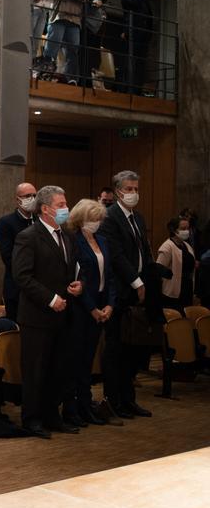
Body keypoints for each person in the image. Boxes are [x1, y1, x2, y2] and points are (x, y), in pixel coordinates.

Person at [12, 185, 83, 439]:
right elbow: (22, 276)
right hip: (37, 316)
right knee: (35, 370)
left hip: (63, 314)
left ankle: (53, 415)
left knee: (58, 369)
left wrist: (78, 283)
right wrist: (50, 298)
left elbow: (75, 267)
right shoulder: (28, 236)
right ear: (45, 209)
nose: (66, 209)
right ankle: (32, 419)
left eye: (66, 204)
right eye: (61, 205)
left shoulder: (67, 235)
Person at [97, 170, 154, 420]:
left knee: (133, 350)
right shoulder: (110, 217)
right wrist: (136, 281)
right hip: (120, 291)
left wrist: (149, 278)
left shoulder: (137, 218)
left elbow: (143, 250)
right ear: (118, 191)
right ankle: (114, 400)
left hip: (138, 290)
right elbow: (117, 256)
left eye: (136, 188)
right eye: (129, 189)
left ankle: (129, 399)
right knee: (116, 349)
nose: (134, 193)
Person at [66, 199, 115, 428]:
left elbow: (110, 276)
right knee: (75, 361)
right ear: (81, 218)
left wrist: (110, 306)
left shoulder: (102, 240)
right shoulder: (73, 241)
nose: (97, 223)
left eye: (99, 219)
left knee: (88, 362)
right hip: (82, 308)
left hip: (102, 305)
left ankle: (87, 407)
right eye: (93, 218)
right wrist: (92, 308)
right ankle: (73, 408)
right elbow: (78, 280)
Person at [40, 0, 88, 84]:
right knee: (52, 48)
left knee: (73, 52)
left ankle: (71, 79)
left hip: (74, 21)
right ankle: (46, 74)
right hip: (59, 18)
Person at [0, 182, 37, 322]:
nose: (32, 199)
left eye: (34, 195)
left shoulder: (40, 221)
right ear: (17, 199)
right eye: (27, 196)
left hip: (38, 289)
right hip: (16, 288)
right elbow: (8, 257)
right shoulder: (6, 222)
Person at [120, 0, 158, 95]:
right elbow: (133, 3)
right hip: (134, 29)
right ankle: (126, 89)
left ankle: (137, 89)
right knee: (131, 60)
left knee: (141, 61)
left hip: (144, 31)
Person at [80, 0, 111, 90]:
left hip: (97, 23)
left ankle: (92, 81)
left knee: (94, 52)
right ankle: (83, 81)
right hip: (84, 19)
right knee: (84, 51)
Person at [157, 216, 196, 313]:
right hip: (172, 291)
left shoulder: (186, 245)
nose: (186, 231)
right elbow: (159, 270)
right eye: (183, 229)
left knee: (186, 318)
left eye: (188, 228)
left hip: (187, 288)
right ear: (174, 230)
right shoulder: (167, 246)